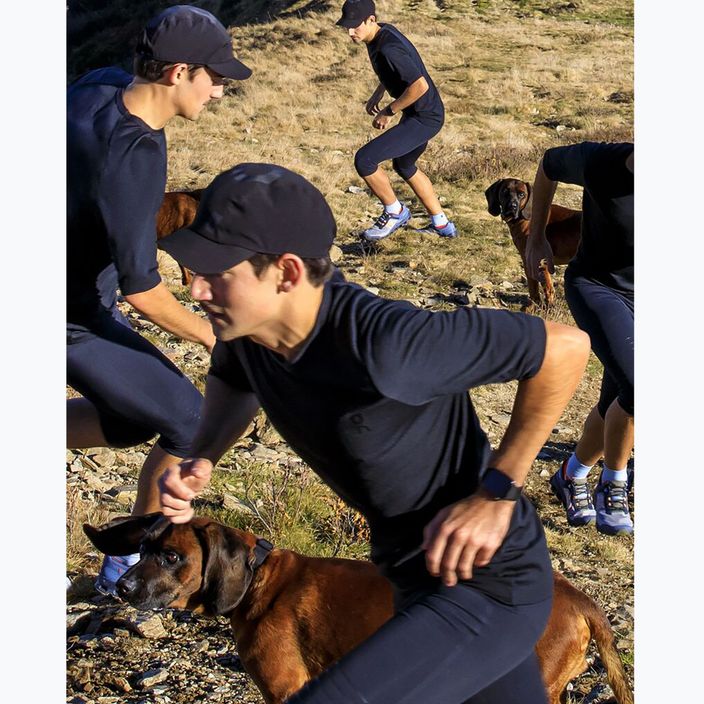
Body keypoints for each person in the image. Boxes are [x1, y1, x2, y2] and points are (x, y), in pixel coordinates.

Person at [157, 162, 590, 703]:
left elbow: (565, 348)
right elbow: (231, 375)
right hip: (411, 575)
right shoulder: (248, 329)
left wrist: (498, 491)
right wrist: (204, 456)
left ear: (287, 273)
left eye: (216, 272)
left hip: (489, 585)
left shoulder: (387, 343)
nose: (195, 289)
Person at [67, 4, 252, 594]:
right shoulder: (138, 154)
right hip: (70, 314)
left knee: (126, 422)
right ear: (178, 72)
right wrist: (218, 336)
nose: (220, 91)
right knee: (188, 420)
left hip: (76, 298)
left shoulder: (97, 85)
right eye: (215, 77)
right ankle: (125, 564)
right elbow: (142, 289)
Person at [525, 141, 634, 536]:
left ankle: (572, 475)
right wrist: (536, 238)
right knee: (638, 388)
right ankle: (614, 483)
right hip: (597, 288)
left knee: (616, 399)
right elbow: (548, 164)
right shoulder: (601, 162)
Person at [336, 0, 457, 241]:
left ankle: (395, 211)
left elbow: (419, 86)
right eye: (347, 27)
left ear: (371, 19)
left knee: (365, 160)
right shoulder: (383, 33)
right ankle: (442, 225)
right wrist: (379, 92)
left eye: (354, 26)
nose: (350, 32)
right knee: (404, 165)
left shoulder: (387, 48)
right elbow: (399, 71)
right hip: (422, 114)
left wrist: (389, 111)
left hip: (424, 118)